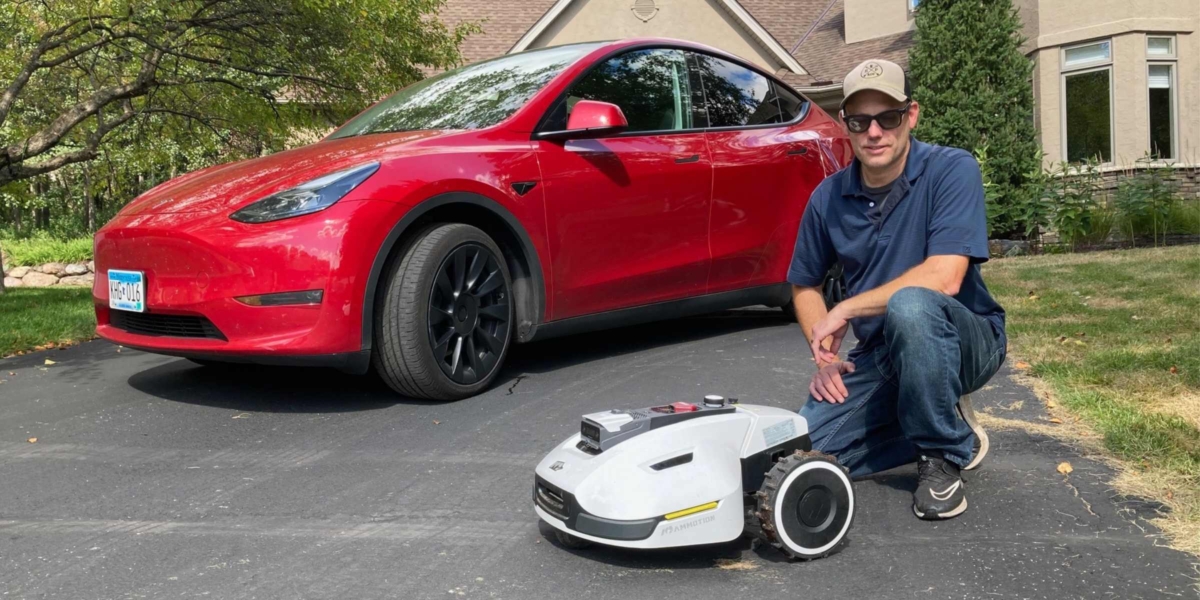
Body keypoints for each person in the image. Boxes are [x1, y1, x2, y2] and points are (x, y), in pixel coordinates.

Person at [787, 59, 1007, 520]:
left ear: (911, 115)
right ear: (846, 125)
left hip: (963, 340)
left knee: (912, 304)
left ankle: (942, 455)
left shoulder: (951, 169)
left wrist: (846, 307)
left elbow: (945, 277)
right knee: (802, 455)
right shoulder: (827, 198)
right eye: (859, 120)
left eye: (887, 117)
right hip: (882, 353)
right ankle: (942, 425)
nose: (874, 132)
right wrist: (823, 355)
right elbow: (804, 283)